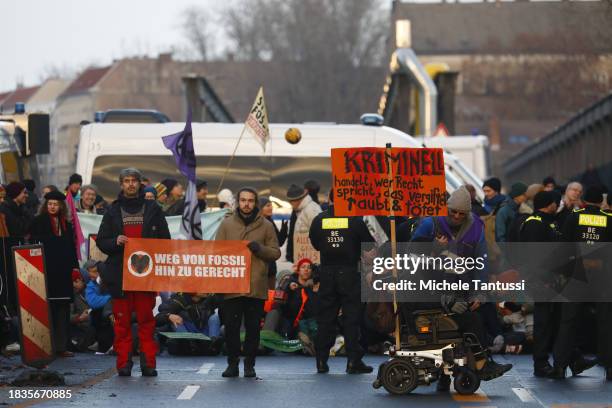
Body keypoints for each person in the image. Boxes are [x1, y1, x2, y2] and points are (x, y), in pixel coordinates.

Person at [410, 186, 511, 389]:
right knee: (470, 320)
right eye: (452, 212)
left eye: (461, 214)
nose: (456, 216)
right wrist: (435, 248)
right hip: (433, 290)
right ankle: (479, 365)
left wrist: (479, 292)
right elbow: (413, 259)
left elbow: (480, 263)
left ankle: (471, 366)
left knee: (479, 313)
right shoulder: (430, 224)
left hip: (459, 286)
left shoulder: (475, 228)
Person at [96, 168, 170, 377]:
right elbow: (102, 241)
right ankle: (124, 364)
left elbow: (166, 240)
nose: (130, 184)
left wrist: (152, 247)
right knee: (122, 323)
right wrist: (115, 241)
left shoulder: (153, 208)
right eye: (126, 181)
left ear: (140, 184)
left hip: (145, 276)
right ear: (121, 184)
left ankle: (149, 364)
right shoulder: (112, 210)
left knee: (147, 322)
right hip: (120, 276)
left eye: (134, 181)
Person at [215, 187, 281, 378]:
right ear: (238, 202)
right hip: (232, 286)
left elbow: (275, 252)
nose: (246, 204)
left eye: (250, 200)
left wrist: (259, 248)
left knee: (253, 329)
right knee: (231, 328)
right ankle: (232, 363)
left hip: (255, 286)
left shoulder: (267, 226)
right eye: (243, 200)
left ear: (256, 203)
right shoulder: (226, 224)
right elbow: (217, 252)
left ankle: (249, 365)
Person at [309, 189, 375, 375]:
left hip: (327, 273)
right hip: (350, 273)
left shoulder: (319, 220)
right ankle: (353, 361)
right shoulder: (355, 220)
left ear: (329, 199)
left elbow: (315, 243)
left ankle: (321, 361)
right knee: (352, 318)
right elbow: (369, 249)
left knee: (326, 319)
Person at [561, 186, 611, 380]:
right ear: (601, 203)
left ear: (583, 201)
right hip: (603, 276)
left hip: (577, 273)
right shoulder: (609, 219)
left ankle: (560, 366)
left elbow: (563, 247)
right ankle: (609, 367)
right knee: (606, 322)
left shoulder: (574, 217)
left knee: (568, 321)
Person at [29, 190, 80, 357]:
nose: (52, 207)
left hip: (63, 273)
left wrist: (75, 268)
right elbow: (34, 245)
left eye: (55, 204)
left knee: (63, 309)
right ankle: (45, 345)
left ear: (61, 206)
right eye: (50, 204)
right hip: (46, 270)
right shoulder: (38, 222)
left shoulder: (66, 224)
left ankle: (61, 346)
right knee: (47, 308)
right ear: (46, 205)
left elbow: (71, 248)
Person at [156, 293, 223, 355]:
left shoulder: (211, 297)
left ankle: (213, 342)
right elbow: (158, 317)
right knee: (176, 319)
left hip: (205, 331)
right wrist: (169, 316)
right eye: (201, 286)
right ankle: (186, 341)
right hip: (188, 331)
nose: (206, 289)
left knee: (215, 318)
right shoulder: (179, 298)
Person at [280, 258, 319, 355]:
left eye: (309, 268)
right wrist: (289, 286)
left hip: (311, 320)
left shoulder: (314, 285)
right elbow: (280, 293)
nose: (306, 270)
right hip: (293, 322)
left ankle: (308, 344)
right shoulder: (290, 282)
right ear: (298, 270)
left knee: (314, 326)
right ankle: (306, 344)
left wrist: (316, 293)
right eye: (303, 267)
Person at [286, 184, 322, 263]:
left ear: (297, 199)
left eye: (291, 202)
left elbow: (319, 233)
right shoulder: (302, 210)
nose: (291, 204)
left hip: (312, 261)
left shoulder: (311, 210)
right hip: (305, 260)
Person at [84, 260, 114, 353]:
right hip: (100, 320)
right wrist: (111, 299)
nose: (92, 274)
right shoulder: (91, 286)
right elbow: (93, 302)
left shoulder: (110, 282)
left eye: (95, 272)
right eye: (90, 271)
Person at [259, 197, 288, 289]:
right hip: (261, 266)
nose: (271, 207)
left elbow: (278, 243)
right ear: (260, 208)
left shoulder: (270, 221)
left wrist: (283, 231)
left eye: (271, 205)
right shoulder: (256, 224)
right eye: (267, 206)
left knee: (270, 294)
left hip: (271, 266)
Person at [69, 270, 97, 352]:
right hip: (81, 331)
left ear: (84, 281)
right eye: (72, 282)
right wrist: (79, 318)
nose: (74, 284)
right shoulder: (73, 297)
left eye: (76, 281)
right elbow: (68, 316)